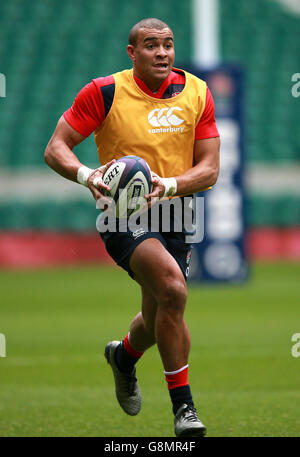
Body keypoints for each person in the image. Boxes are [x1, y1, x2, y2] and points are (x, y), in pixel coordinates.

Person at [44, 17, 220, 437]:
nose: (162, 52)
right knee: (174, 290)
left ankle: (123, 357)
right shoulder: (104, 91)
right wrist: (90, 177)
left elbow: (210, 169)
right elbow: (56, 148)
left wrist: (170, 185)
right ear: (132, 52)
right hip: (122, 213)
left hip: (176, 212)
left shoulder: (197, 92)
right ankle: (185, 409)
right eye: (151, 45)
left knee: (157, 312)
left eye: (168, 45)